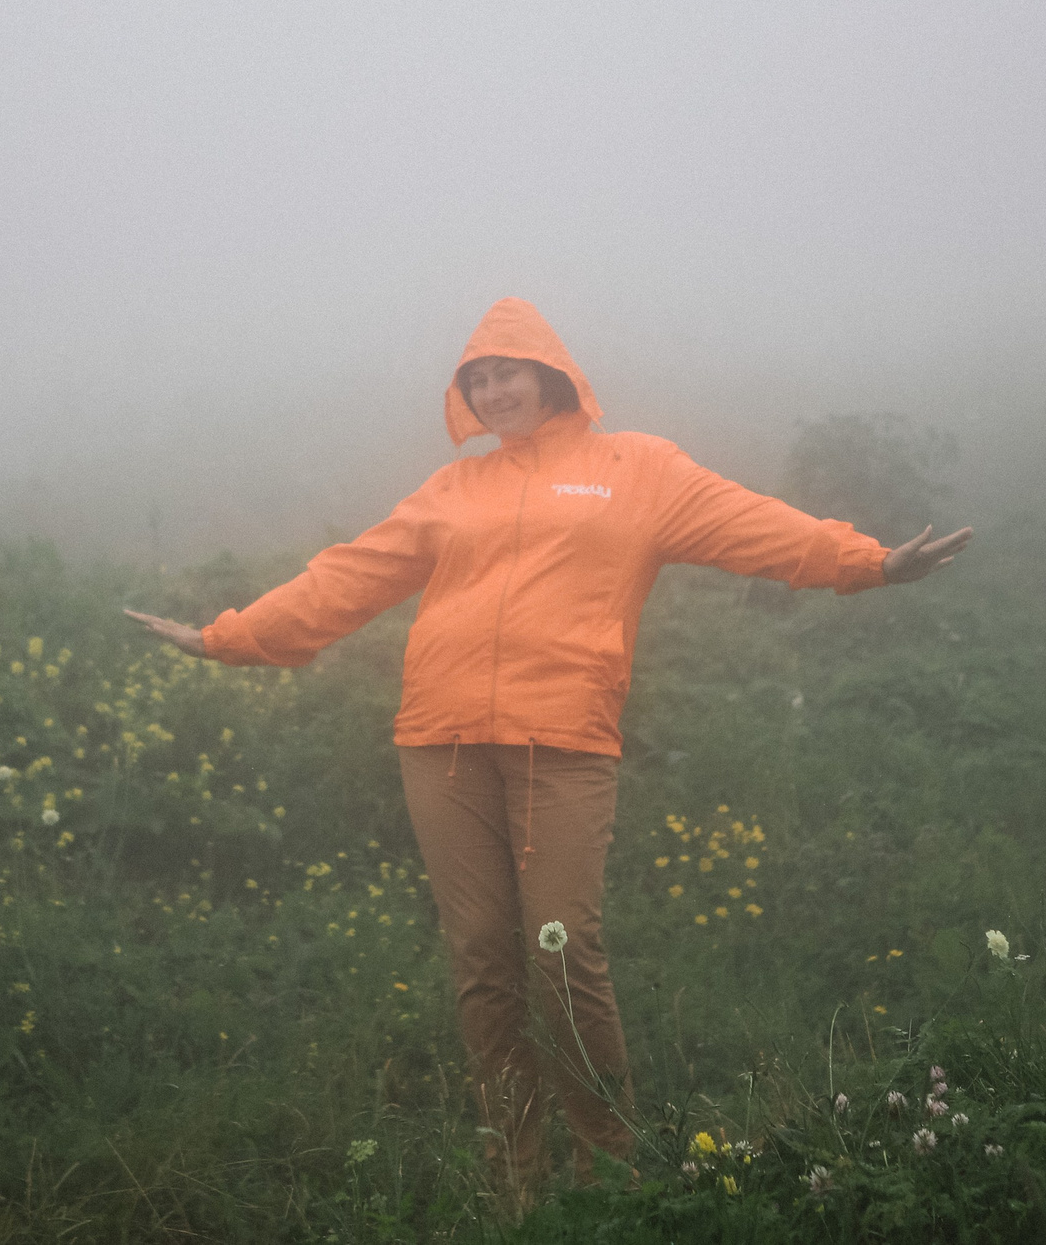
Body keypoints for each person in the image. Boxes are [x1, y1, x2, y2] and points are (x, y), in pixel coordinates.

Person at [127, 298, 970, 1203]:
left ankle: (611, 1172)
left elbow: (751, 524)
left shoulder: (636, 468)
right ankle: (514, 1179)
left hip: (563, 741)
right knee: (483, 961)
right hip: (440, 743)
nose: (492, 392)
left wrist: (866, 561)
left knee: (563, 952)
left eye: (506, 372)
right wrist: (228, 635)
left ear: (549, 372)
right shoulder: (455, 490)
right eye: (475, 380)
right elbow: (350, 576)